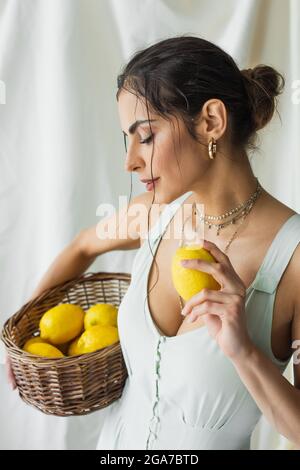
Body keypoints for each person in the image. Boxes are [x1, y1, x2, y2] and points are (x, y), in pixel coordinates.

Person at [6, 35, 300, 450]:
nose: (129, 161)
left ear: (211, 121)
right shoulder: (155, 215)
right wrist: (23, 344)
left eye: (145, 136)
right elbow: (82, 246)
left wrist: (244, 351)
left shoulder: (294, 259)